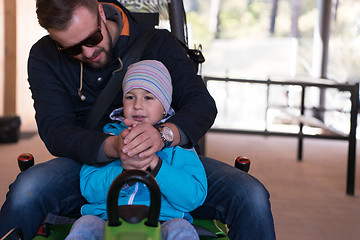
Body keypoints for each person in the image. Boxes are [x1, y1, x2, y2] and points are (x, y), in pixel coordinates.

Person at [0, 1, 276, 240]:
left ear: (99, 10)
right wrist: (112, 147)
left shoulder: (158, 42)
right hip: (90, 161)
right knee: (27, 190)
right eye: (71, 49)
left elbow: (202, 105)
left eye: (93, 38)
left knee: (250, 196)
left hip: (168, 155)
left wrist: (163, 135)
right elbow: (55, 129)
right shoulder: (44, 55)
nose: (87, 53)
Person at [66, 60, 207, 240]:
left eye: (148, 97)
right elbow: (89, 188)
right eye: (130, 97)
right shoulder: (109, 137)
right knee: (84, 225)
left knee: (182, 229)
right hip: (108, 217)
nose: (138, 105)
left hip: (163, 218)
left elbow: (193, 196)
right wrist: (126, 172)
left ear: (165, 107)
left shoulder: (178, 146)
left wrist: (156, 166)